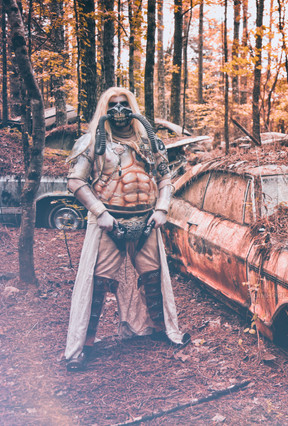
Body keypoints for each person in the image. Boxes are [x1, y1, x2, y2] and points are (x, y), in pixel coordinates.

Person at [64, 87, 189, 371]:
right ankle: (84, 343)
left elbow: (165, 178)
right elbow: (75, 181)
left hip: (146, 220)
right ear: (104, 109)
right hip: (110, 222)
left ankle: (160, 328)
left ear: (132, 106)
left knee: (153, 276)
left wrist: (161, 208)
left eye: (123, 104)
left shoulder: (149, 142)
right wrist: (100, 212)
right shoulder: (93, 142)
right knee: (97, 282)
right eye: (112, 105)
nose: (118, 110)